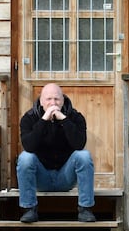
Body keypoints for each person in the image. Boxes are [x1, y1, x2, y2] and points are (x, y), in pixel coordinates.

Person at [16, 83, 96, 223]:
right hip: (41, 178)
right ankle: (29, 209)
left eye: (57, 99)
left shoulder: (75, 117)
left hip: (65, 177)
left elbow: (79, 144)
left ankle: (85, 209)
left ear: (63, 100)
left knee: (84, 156)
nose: (53, 103)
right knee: (25, 158)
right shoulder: (29, 118)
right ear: (41, 101)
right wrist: (44, 120)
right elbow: (29, 146)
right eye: (48, 99)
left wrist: (63, 119)